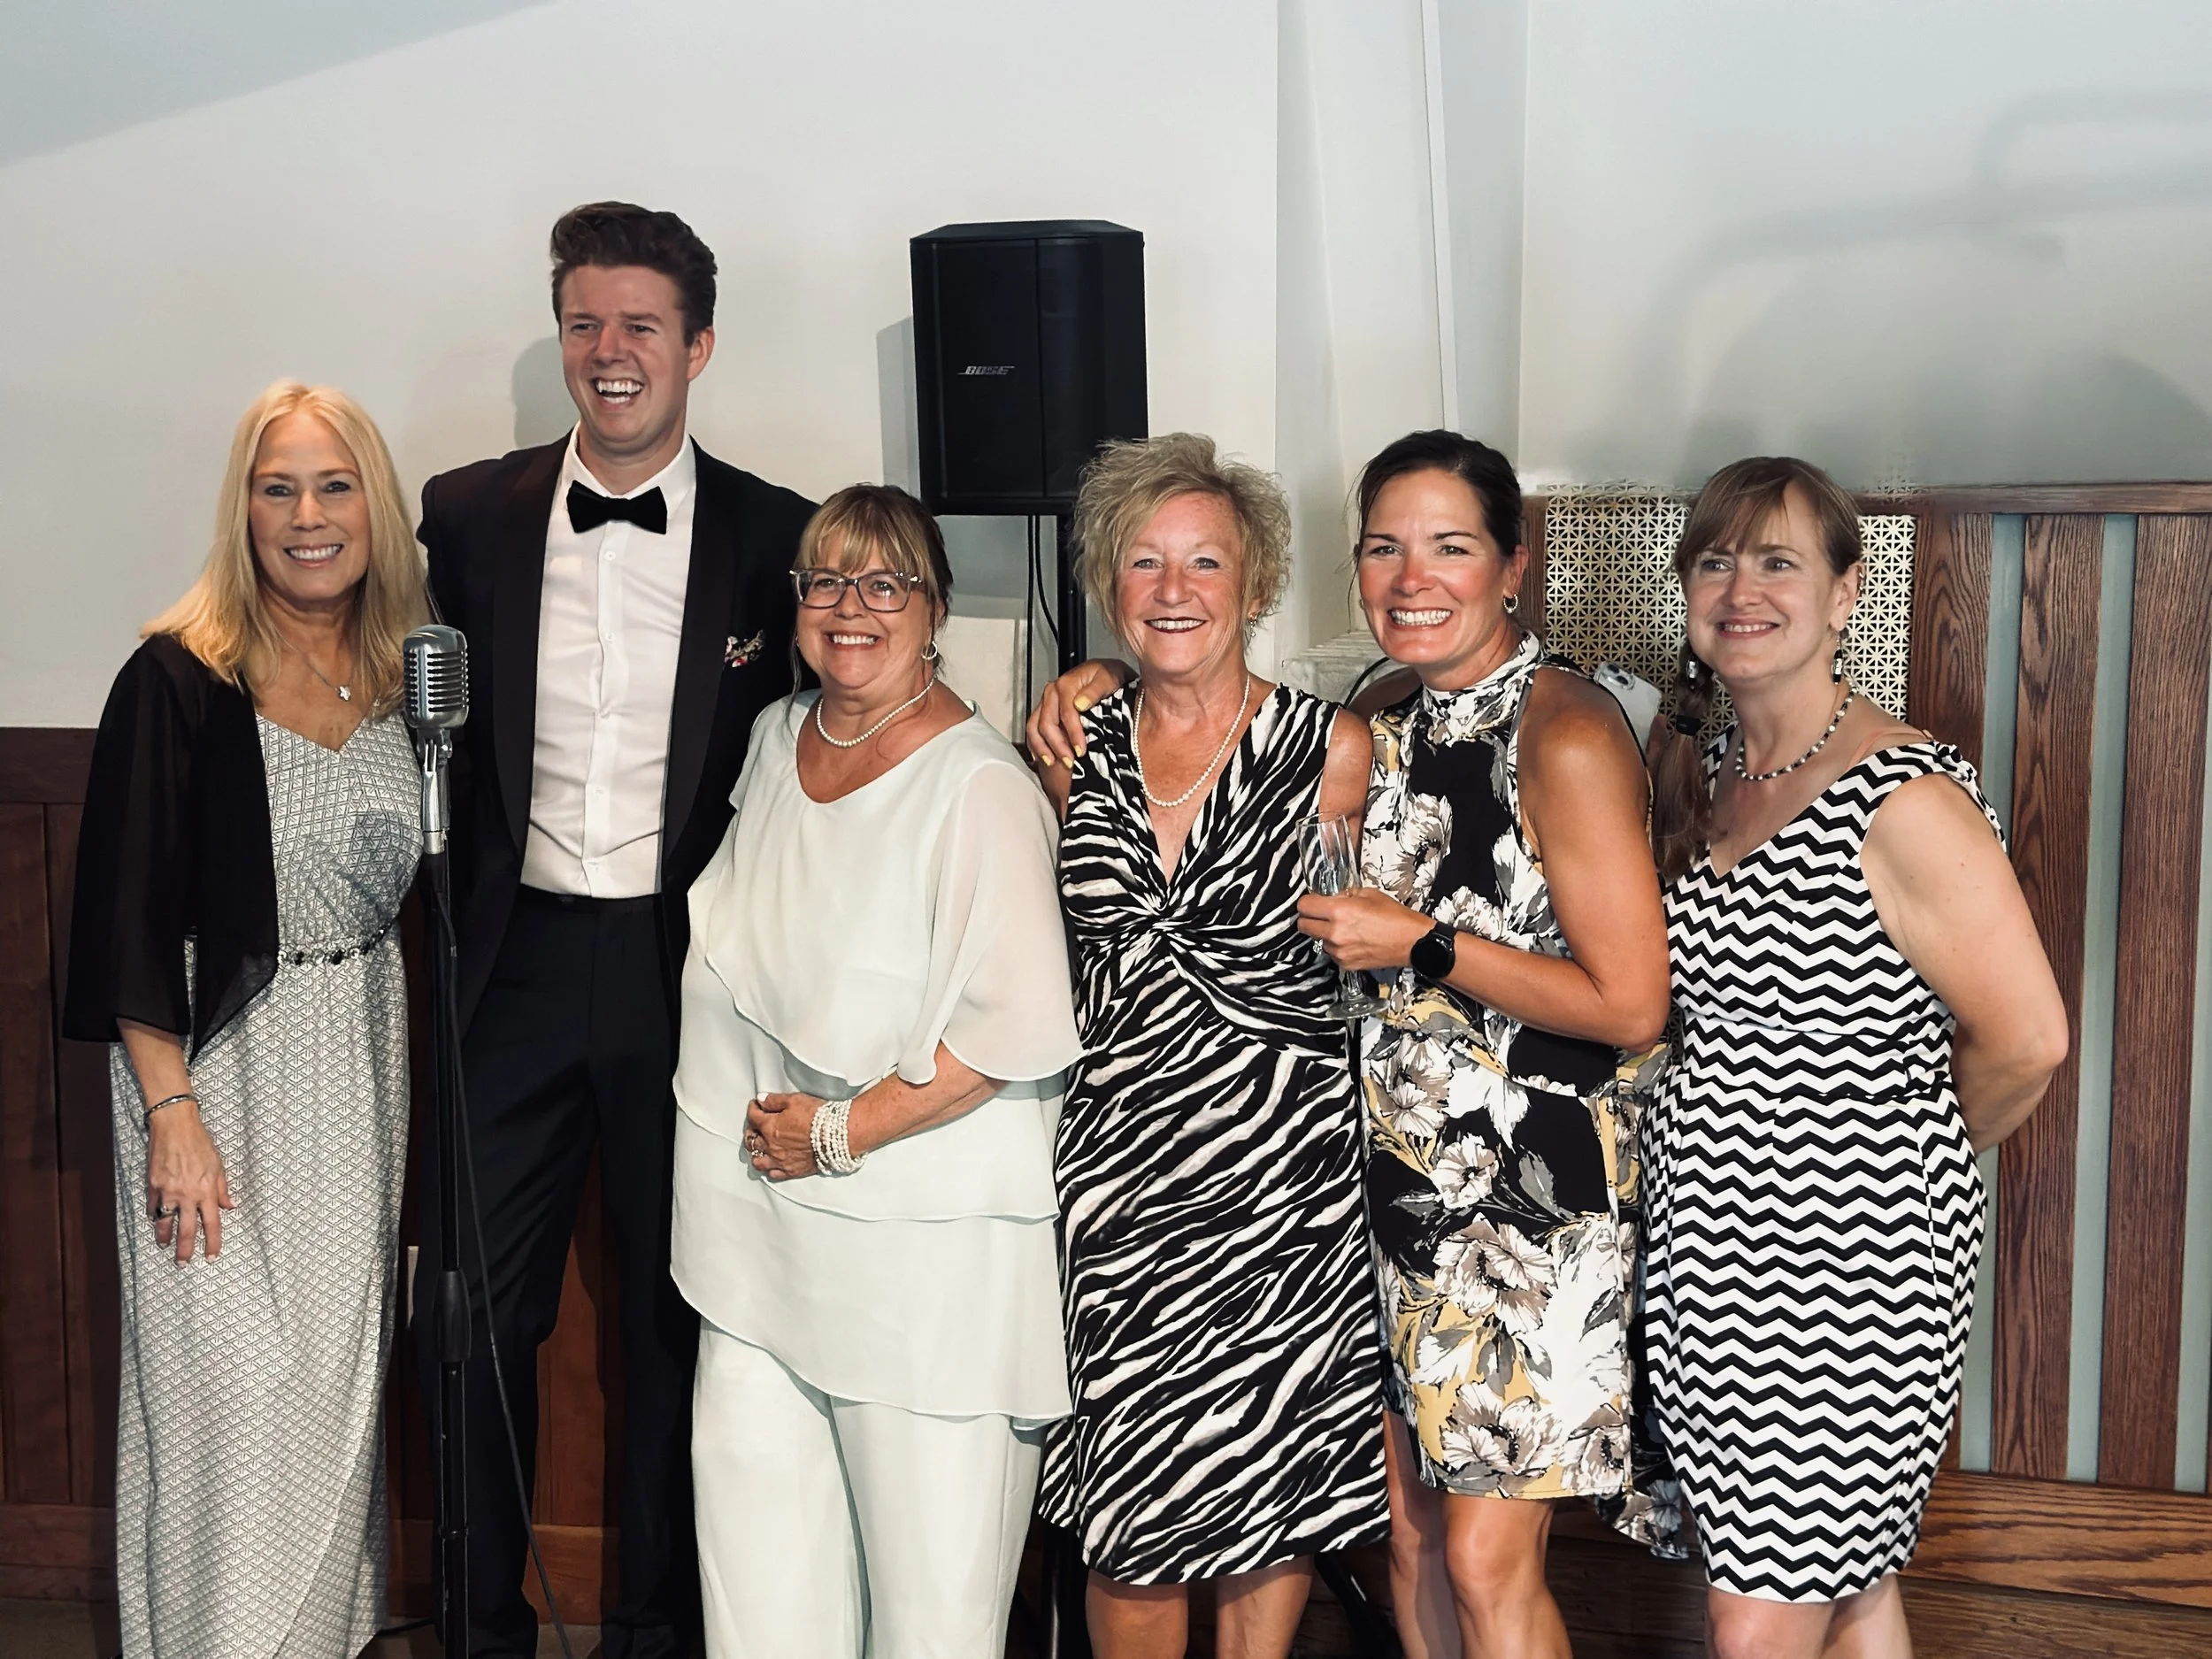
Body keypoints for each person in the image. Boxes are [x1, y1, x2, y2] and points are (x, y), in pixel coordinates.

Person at [411, 201, 816, 1657]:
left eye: (641, 323)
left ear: (697, 347)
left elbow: (870, 687)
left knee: (670, 1319)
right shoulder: (466, 513)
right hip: (509, 963)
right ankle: (480, 1630)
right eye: (585, 322)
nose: (610, 349)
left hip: (682, 966)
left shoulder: (778, 534)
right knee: (465, 1315)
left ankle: (657, 1631)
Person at [1640, 457, 2066, 1659]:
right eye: (1716, 562)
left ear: (1844, 593)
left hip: (1849, 1271)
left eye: (1778, 562)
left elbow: (2029, 1039)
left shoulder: (1902, 797)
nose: (1742, 591)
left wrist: (1891, 1151)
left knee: (1758, 1613)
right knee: (1852, 1584)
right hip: (1706, 1256)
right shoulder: (1711, 776)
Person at [671, 484, 1081, 1655]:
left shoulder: (981, 787)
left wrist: (838, 1132)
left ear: (935, 608)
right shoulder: (773, 737)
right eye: (827, 581)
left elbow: (1013, 1028)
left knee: (930, 1610)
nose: (852, 606)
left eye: (885, 582)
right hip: (758, 1239)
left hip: (924, 1258)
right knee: (761, 1589)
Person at [63, 381, 429, 1655]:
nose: (307, 516)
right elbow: (124, 918)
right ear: (244, 511)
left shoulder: (406, 678)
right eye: (279, 490)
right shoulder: (176, 678)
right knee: (231, 1404)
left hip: (360, 1064)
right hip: (217, 1082)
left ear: (375, 507)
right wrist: (172, 1113)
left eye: (334, 487)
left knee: (333, 1394)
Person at [1297, 430, 1674, 1659]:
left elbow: (1632, 1004)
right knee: (1411, 1540)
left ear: (1513, 566)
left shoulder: (1565, 733)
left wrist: (1424, 943)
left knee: (1482, 1556)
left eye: (1449, 547)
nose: (1412, 578)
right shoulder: (1376, 711)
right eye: (1384, 548)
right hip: (1391, 1187)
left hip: (1530, 1203)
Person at [1033, 434, 1387, 1657]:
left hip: (1285, 1196)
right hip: (1119, 1193)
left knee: (1266, 1509)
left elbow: (1375, 959)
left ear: (1255, 580)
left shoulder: (1334, 749)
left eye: (1204, 561)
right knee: (1128, 1525)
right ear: (1108, 581)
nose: (1173, 589)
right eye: (1144, 561)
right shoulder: (1072, 747)